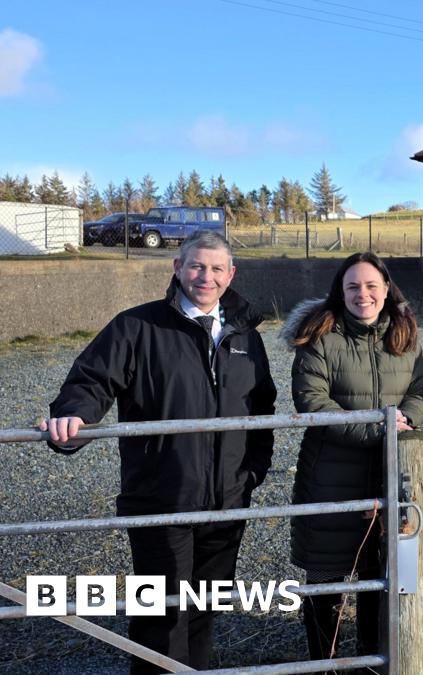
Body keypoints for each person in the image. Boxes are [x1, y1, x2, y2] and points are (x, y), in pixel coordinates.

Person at [41, 230, 276, 673]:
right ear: (177, 268)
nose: (205, 276)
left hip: (227, 502)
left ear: (231, 274)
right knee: (161, 613)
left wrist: (252, 471)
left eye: (216, 268)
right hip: (160, 498)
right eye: (196, 266)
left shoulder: (245, 334)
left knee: (205, 609)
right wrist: (73, 415)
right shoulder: (137, 326)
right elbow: (91, 380)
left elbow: (262, 404)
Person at [282, 251, 423, 663]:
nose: (362, 294)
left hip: (389, 474)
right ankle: (323, 663)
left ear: (385, 290)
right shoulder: (320, 337)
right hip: (331, 475)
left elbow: (420, 389)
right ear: (340, 292)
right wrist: (380, 429)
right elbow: (313, 400)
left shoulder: (405, 335)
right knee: (327, 575)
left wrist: (407, 422)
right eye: (352, 286)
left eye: (370, 286)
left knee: (380, 573)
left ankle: (370, 659)